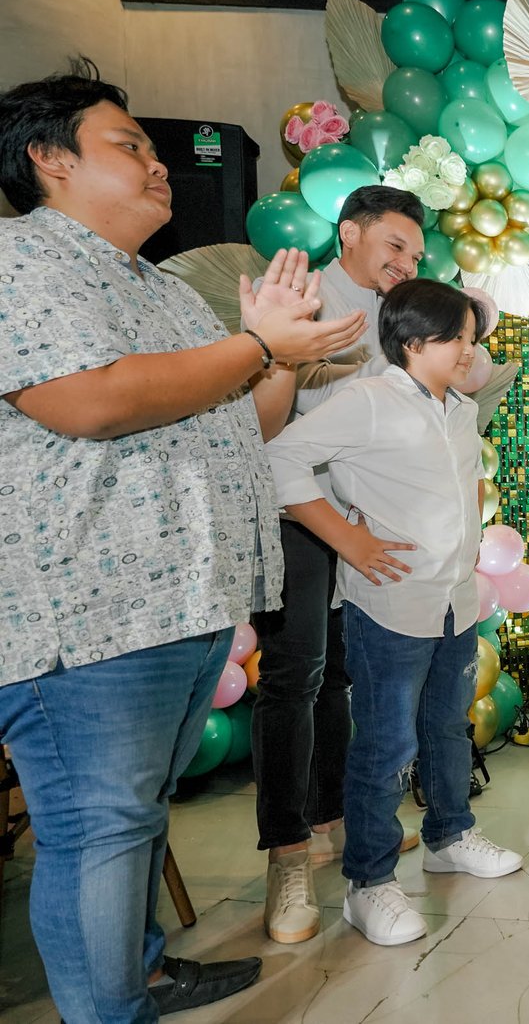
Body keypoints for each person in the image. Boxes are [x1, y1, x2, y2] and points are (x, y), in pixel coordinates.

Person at [0, 61, 364, 1022]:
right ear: (48, 159)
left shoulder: (161, 289)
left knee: (135, 816)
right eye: (129, 145)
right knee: (99, 828)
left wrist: (279, 350)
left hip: (181, 608)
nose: (158, 164)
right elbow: (89, 401)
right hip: (88, 617)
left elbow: (250, 423)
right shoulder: (18, 261)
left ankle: (142, 972)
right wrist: (259, 347)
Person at [265, 278, 523, 947]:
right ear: (411, 341)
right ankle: (369, 882)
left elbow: (462, 485)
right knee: (385, 746)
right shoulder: (369, 402)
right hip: (391, 606)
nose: (468, 350)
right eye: (456, 338)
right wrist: (345, 538)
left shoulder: (459, 408)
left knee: (447, 728)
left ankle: (449, 835)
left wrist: (465, 542)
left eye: (471, 338)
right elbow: (279, 457)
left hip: (454, 603)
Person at [252, 184, 427, 946]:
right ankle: (287, 853)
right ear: (350, 232)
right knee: (293, 676)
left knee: (342, 674)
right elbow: (268, 427)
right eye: (395, 245)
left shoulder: (397, 316)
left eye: (416, 253)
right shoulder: (300, 300)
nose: (405, 262)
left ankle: (331, 816)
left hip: (365, 520)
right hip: (296, 513)